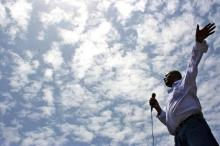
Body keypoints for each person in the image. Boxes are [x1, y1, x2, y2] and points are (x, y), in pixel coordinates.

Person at [149, 23, 219, 146]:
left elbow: (192, 65)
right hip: (178, 136)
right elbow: (169, 119)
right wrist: (158, 107)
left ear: (176, 75)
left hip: (192, 127)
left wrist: (198, 42)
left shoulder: (185, 83)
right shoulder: (170, 98)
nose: (165, 77)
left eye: (167, 74)